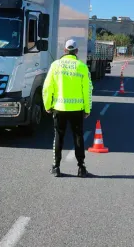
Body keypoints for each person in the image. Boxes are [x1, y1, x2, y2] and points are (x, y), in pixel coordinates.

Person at [42, 39, 93, 178]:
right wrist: (87, 109)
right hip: (77, 109)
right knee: (78, 137)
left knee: (59, 136)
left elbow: (47, 88)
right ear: (76, 51)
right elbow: (88, 90)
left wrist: (48, 105)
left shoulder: (55, 65)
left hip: (59, 108)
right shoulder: (82, 67)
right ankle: (81, 168)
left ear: (64, 50)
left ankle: (56, 167)